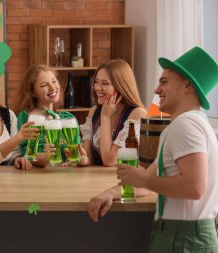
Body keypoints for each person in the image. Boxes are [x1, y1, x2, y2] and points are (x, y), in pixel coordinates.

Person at [88, 47, 218, 253]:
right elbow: (149, 182)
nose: (156, 90)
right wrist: (111, 193)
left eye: (164, 82)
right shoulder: (182, 125)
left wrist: (143, 179)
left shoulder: (186, 126)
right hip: (176, 235)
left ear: (187, 86)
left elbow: (194, 187)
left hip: (183, 238)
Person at [78, 59, 146, 166]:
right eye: (96, 81)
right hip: (95, 178)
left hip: (122, 180)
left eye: (105, 83)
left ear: (120, 87)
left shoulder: (137, 114)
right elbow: (87, 157)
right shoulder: (93, 111)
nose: (97, 88)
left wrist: (105, 117)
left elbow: (110, 161)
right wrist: (81, 160)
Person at [16, 64, 80, 167]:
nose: (52, 87)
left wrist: (72, 160)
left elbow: (78, 152)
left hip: (68, 176)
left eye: (54, 81)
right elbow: (25, 156)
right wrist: (46, 157)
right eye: (44, 85)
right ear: (33, 92)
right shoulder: (26, 118)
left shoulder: (68, 118)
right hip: (38, 177)